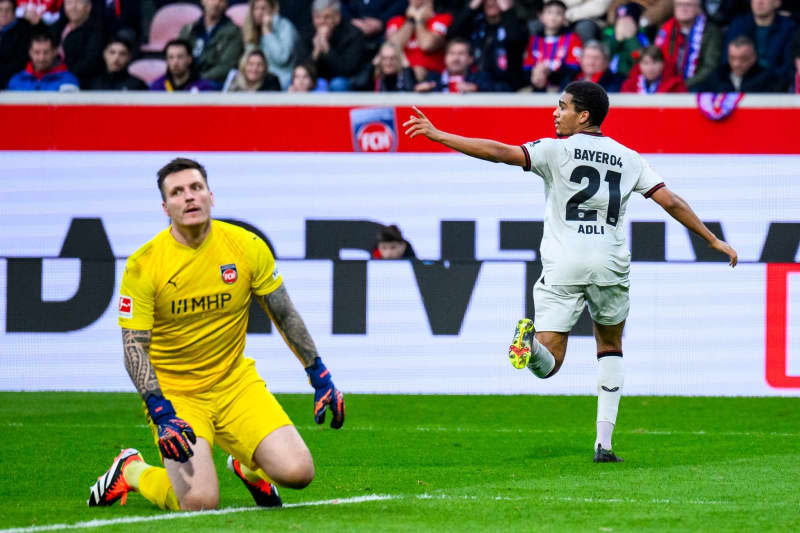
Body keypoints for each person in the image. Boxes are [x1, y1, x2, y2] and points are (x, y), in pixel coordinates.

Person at [402, 80, 737, 462]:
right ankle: (604, 445)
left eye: (562, 106)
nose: (554, 112)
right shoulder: (628, 157)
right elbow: (671, 201)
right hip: (609, 262)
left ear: (583, 115)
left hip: (564, 262)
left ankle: (529, 348)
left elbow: (498, 153)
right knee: (610, 346)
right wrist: (712, 240)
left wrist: (439, 134)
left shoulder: (553, 151)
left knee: (549, 365)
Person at [87, 157, 345, 511]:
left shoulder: (245, 245)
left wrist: (320, 374)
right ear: (165, 207)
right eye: (177, 192)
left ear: (211, 195)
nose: (189, 197)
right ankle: (132, 470)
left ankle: (249, 469)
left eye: (195, 188)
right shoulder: (144, 264)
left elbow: (283, 313)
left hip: (235, 384)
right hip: (179, 396)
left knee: (299, 472)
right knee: (199, 502)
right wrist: (161, 411)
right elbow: (134, 347)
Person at [447, 0, 529, 91]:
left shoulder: (516, 23)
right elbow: (452, 36)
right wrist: (472, 6)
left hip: (507, 91)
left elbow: (516, 39)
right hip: (474, 86)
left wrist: (507, 10)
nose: (490, 3)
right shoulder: (474, 23)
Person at [295, 0, 367, 91]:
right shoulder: (305, 34)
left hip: (342, 80)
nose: (321, 21)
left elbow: (347, 71)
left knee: (338, 84)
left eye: (327, 17)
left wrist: (327, 50)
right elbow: (301, 69)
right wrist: (315, 53)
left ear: (337, 17)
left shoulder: (353, 34)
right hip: (313, 80)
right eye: (317, 17)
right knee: (290, 84)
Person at [725, 0, 797, 90]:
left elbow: (788, 67)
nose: (759, 2)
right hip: (741, 85)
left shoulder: (789, 29)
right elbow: (726, 62)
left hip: (777, 87)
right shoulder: (738, 25)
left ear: (777, 3)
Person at [654, 0, 722, 92]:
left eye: (688, 5)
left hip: (696, 85)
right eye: (679, 5)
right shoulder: (665, 30)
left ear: (698, 8)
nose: (683, 8)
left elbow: (710, 67)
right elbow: (655, 58)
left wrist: (683, 85)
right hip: (667, 84)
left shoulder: (711, 31)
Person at [178, 0, 243, 85]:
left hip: (214, 86)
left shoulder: (234, 33)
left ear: (226, 4)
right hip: (186, 83)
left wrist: (197, 80)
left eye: (221, 0)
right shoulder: (188, 30)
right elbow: (178, 56)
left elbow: (226, 67)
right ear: (203, 1)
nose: (216, 3)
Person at [385, 0, 452, 83]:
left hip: (433, 79)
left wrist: (420, 21)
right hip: (400, 77)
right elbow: (392, 48)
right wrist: (411, 21)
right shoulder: (396, 21)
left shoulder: (443, 18)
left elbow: (427, 45)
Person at [524, 0, 583, 92]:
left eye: (559, 13)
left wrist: (549, 73)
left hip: (561, 89)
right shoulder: (533, 40)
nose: (553, 17)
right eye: (549, 12)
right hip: (535, 86)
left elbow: (573, 69)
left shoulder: (573, 39)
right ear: (541, 16)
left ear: (564, 18)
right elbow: (527, 67)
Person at [694, 34, 780, 92]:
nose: (737, 64)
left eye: (743, 59)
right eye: (732, 58)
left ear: (753, 57)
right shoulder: (718, 76)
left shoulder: (766, 78)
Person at [242, 0, 298, 89]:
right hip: (256, 83)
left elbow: (282, 58)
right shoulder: (252, 30)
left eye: (263, 8)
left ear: (273, 10)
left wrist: (267, 33)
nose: (259, 12)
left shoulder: (285, 27)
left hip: (282, 81)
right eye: (256, 9)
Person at [52, 0, 104, 88]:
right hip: (53, 79)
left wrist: (64, 72)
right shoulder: (58, 27)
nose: (73, 7)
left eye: (79, 2)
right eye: (69, 3)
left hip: (81, 83)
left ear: (88, 7)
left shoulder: (97, 30)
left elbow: (91, 62)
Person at [414, 37, 496, 92]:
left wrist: (476, 89)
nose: (456, 58)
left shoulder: (480, 78)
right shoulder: (433, 78)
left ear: (470, 59)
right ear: (445, 58)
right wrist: (419, 91)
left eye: (461, 54)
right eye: (452, 53)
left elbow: (500, 89)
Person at [7, 29, 78, 90]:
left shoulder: (68, 81)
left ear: (54, 52)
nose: (41, 58)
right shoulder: (16, 81)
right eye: (37, 52)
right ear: (30, 53)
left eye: (46, 52)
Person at [601, 2, 650, 77]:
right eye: (620, 21)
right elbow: (604, 56)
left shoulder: (642, 37)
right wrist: (616, 40)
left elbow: (637, 58)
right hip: (608, 76)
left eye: (628, 21)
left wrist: (631, 38)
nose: (623, 24)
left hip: (628, 76)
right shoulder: (608, 33)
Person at [149, 38, 217, 92]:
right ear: (166, 61)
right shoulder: (157, 87)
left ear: (189, 59)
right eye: (171, 57)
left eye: (180, 57)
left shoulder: (203, 87)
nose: (175, 62)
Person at [559, 40, 625, 92]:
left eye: (596, 58)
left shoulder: (615, 81)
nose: (591, 62)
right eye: (587, 57)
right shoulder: (570, 78)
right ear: (580, 59)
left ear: (606, 62)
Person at [0, 0, 37, 90]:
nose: (3, 13)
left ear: (14, 12)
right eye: (0, 10)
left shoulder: (23, 30)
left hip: (13, 82)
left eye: (7, 10)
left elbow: (20, 62)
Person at [621, 44, 687, 92]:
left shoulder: (676, 86)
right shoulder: (629, 86)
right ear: (639, 65)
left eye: (655, 63)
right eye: (645, 63)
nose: (650, 68)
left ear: (662, 64)